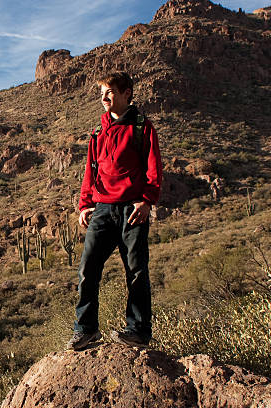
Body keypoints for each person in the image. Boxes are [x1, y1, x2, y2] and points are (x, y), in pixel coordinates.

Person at [66, 71, 162, 350]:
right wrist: (85, 205)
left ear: (126, 93)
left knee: (136, 271)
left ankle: (139, 331)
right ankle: (85, 330)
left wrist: (146, 201)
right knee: (88, 268)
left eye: (110, 92)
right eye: (101, 94)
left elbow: (154, 168)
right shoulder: (97, 132)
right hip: (103, 209)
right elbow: (90, 172)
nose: (104, 98)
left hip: (133, 209)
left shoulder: (143, 127)